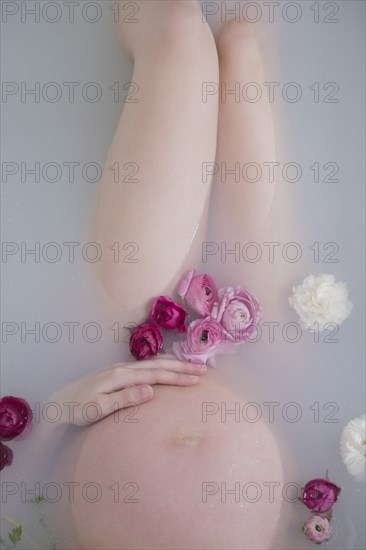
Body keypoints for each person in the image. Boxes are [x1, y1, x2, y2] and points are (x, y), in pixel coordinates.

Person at [48, 3, 285, 548]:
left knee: (176, 30)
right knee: (246, 42)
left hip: (117, 350)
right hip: (267, 366)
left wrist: (58, 409)